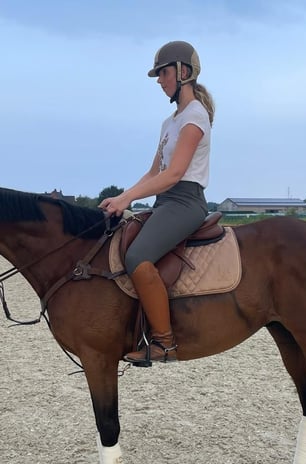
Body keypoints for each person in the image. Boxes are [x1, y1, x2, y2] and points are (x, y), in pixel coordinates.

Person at [99, 40, 215, 366]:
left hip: (186, 202)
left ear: (183, 72)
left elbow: (175, 173)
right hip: (166, 201)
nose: (160, 81)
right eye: (159, 75)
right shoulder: (169, 123)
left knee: (137, 256)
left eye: (163, 73)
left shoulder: (195, 116)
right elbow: (154, 172)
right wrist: (120, 198)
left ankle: (164, 343)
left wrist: (128, 199)